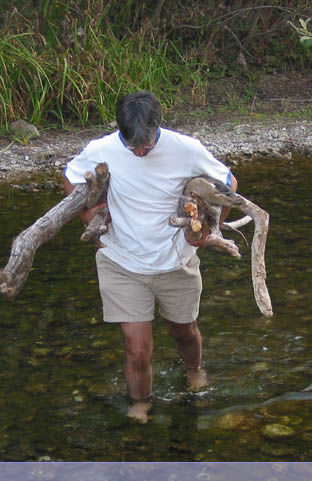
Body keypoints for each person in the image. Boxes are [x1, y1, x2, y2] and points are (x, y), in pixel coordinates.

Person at [63, 91, 237, 423]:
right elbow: (71, 177)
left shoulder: (185, 149)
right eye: (133, 147)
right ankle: (141, 404)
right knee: (136, 347)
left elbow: (228, 183)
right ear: (120, 132)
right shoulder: (102, 149)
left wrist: (212, 228)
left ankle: (194, 370)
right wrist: (87, 216)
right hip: (121, 260)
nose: (140, 151)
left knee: (183, 331)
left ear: (159, 128)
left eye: (147, 146)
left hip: (176, 259)